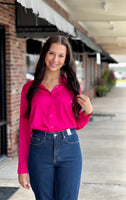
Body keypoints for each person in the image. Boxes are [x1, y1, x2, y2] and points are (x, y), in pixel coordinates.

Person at [18, 35, 93, 200]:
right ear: (44, 54)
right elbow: (24, 129)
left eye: (61, 55)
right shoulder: (29, 88)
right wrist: (22, 168)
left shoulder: (72, 86)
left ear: (66, 60)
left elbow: (77, 124)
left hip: (69, 148)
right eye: (52, 53)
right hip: (39, 148)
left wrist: (87, 112)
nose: (55, 59)